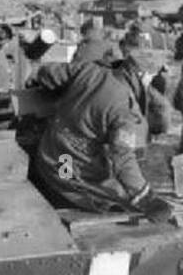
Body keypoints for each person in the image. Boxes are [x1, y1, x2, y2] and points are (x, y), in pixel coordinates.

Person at [29, 37, 165, 215]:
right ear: (142, 75)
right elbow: (122, 157)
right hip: (67, 174)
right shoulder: (123, 110)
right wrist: (145, 197)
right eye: (151, 77)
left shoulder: (89, 70)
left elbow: (47, 73)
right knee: (114, 201)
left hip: (49, 153)